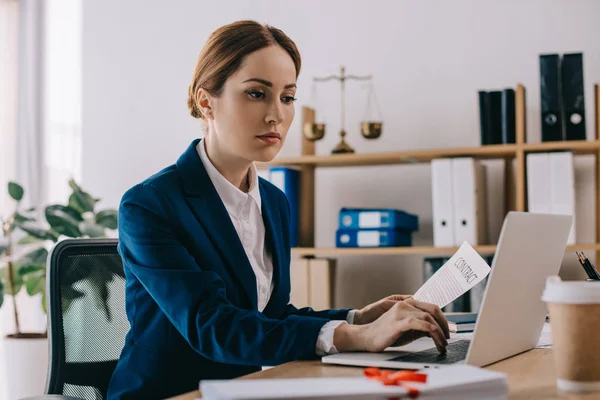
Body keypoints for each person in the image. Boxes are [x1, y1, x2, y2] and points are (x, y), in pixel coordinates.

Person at [106, 20, 449, 400]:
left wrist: (358, 317)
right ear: (207, 102)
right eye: (256, 94)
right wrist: (355, 337)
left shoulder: (274, 201)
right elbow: (212, 326)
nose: (277, 116)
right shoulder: (150, 204)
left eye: (287, 98)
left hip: (244, 391)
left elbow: (268, 316)